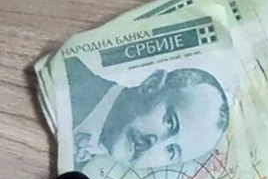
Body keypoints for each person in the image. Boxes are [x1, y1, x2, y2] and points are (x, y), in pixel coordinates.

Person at [66, 57, 229, 169]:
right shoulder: (66, 75)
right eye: (170, 122)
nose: (154, 145)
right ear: (151, 85)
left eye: (171, 151)